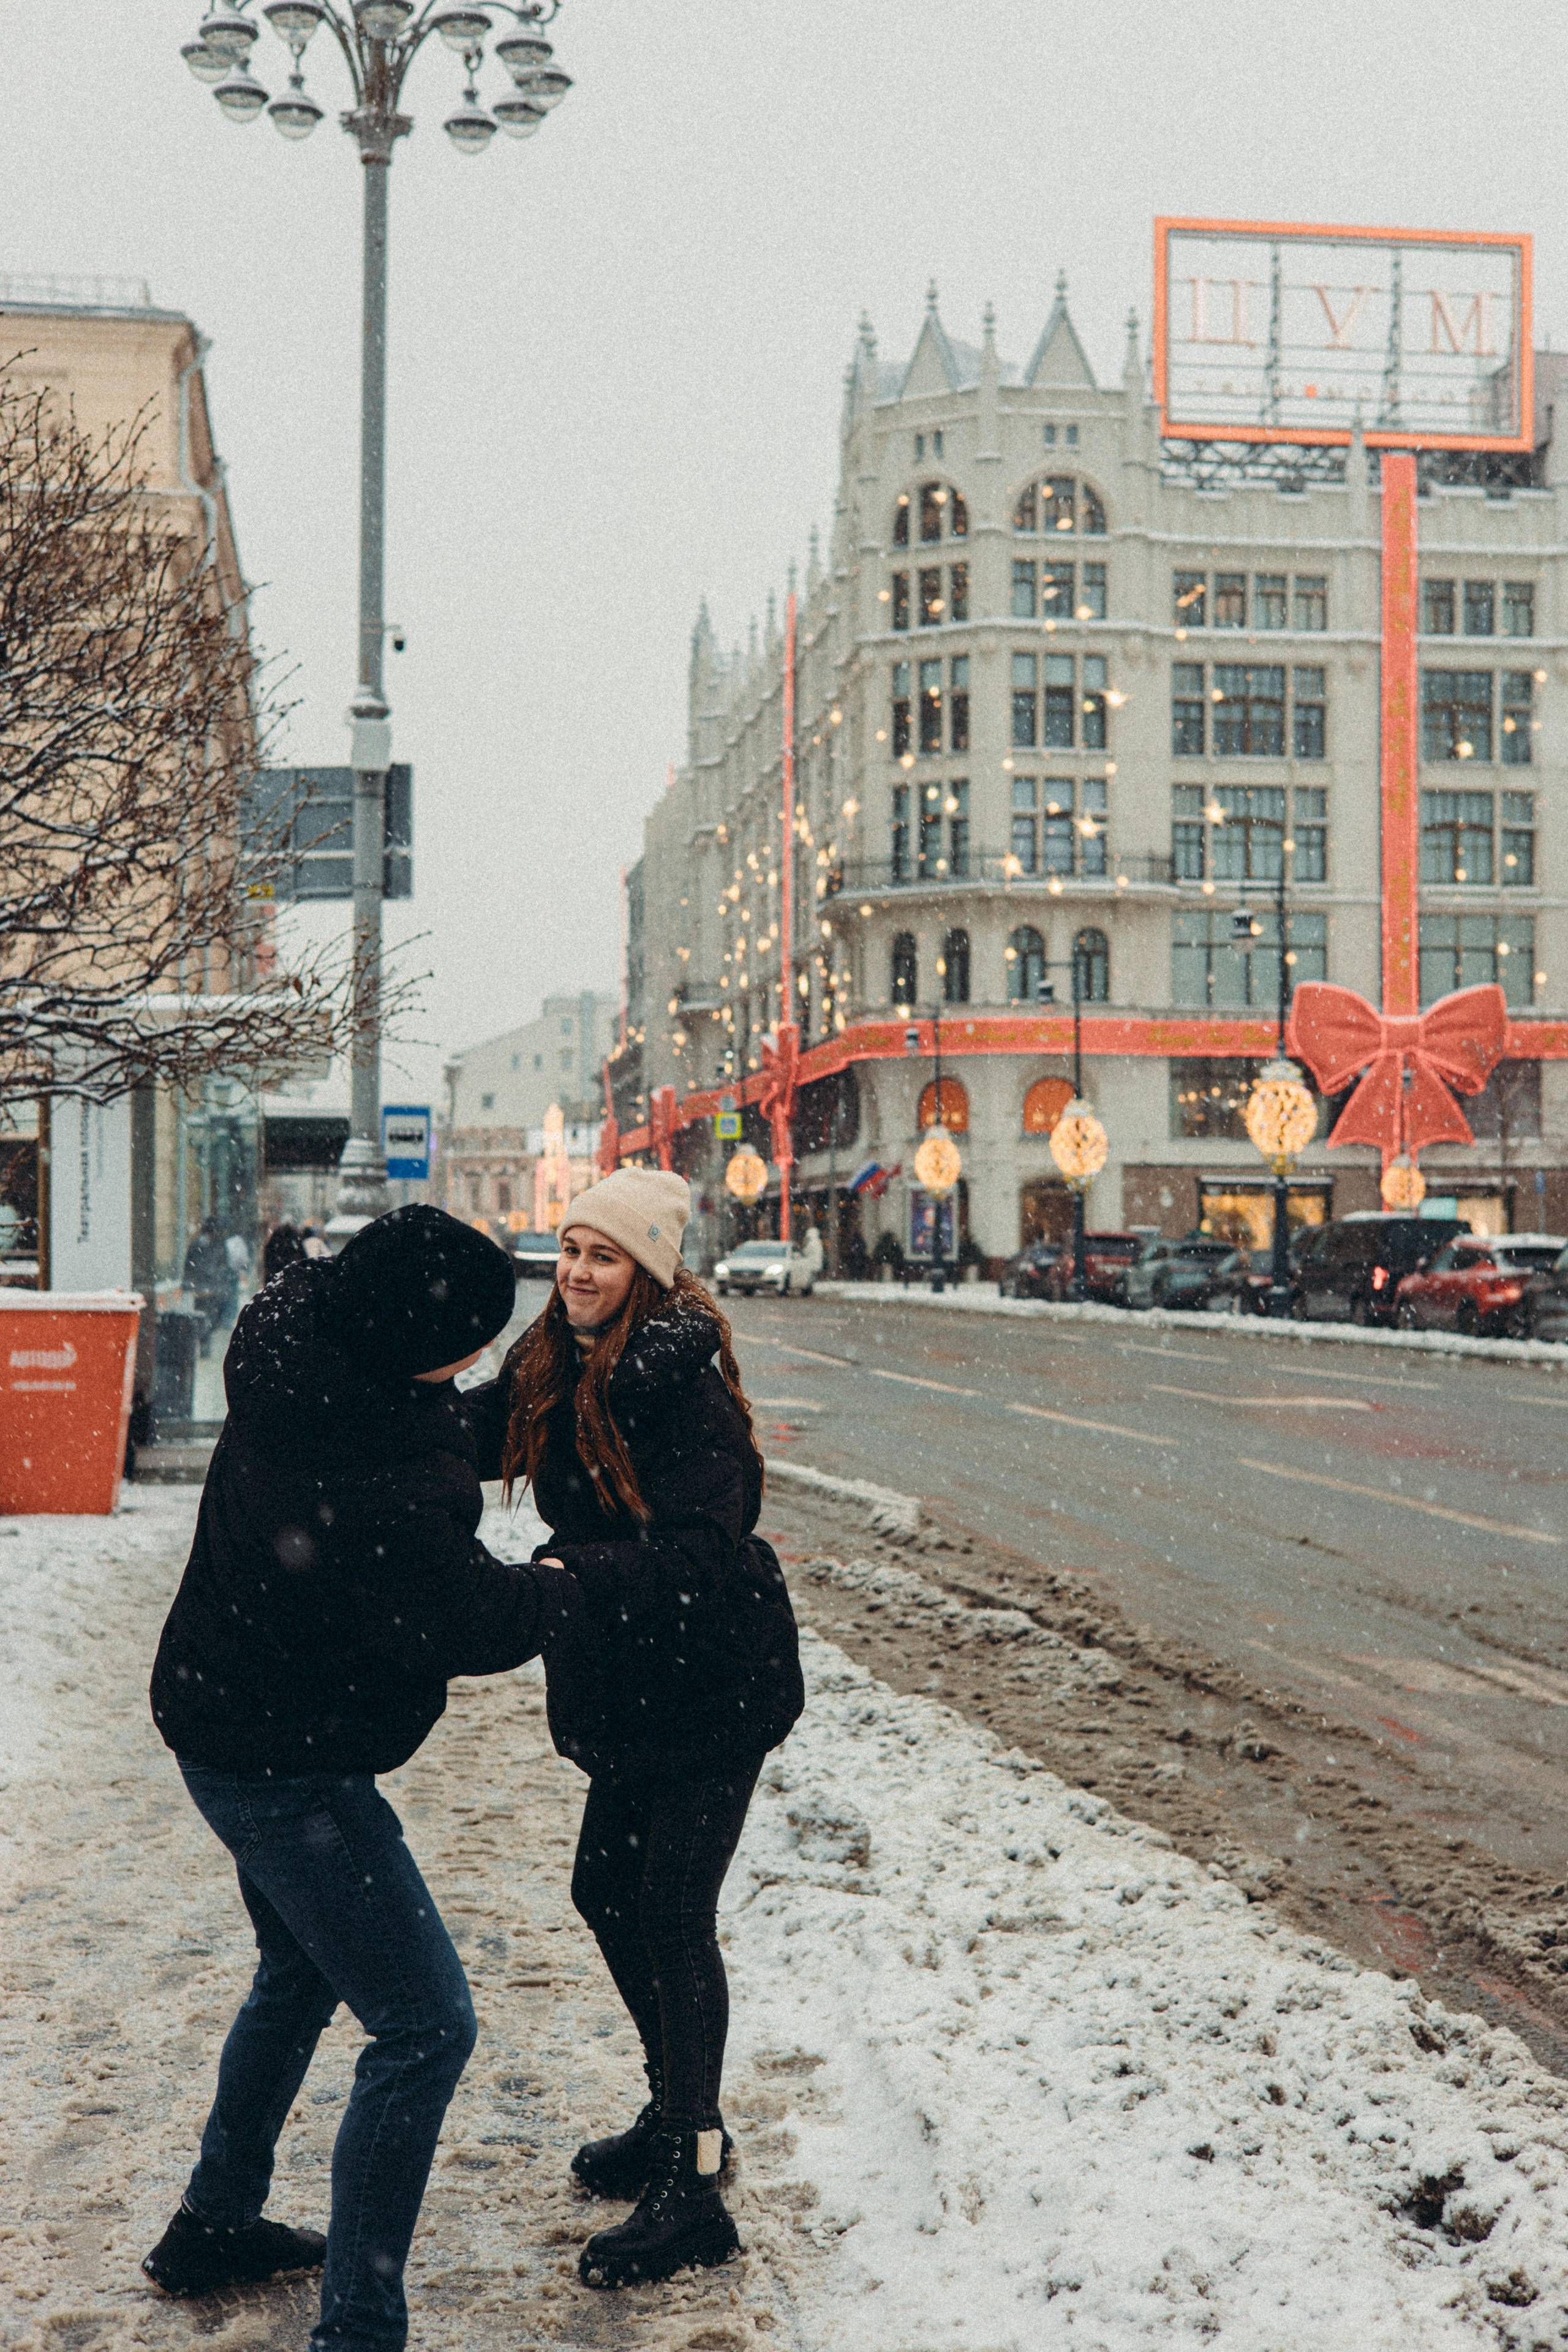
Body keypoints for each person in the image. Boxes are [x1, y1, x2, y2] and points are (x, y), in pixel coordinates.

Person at [145, 1205, 573, 2352]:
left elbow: (420, 1420)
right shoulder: (373, 1470)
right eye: (473, 1342)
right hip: (287, 1762)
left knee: (297, 1969)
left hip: (226, 1715)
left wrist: (522, 1414)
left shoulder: (307, 1342)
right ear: (416, 1335)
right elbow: (468, 1612)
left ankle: (214, 2223)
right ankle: (359, 2330)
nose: (478, 1361)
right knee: (427, 2026)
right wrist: (574, 1583)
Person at [466, 1167, 804, 2291]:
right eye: (568, 1248)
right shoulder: (553, 1355)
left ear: (645, 1274)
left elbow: (712, 1549)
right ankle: (676, 2118)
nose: (575, 1271)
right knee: (607, 1893)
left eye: (602, 1256)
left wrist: (572, 1573)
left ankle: (696, 2184)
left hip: (714, 1683)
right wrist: (369, 1401)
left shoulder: (683, 1383)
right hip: (636, 1684)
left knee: (669, 1908)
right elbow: (480, 1431)